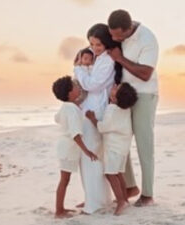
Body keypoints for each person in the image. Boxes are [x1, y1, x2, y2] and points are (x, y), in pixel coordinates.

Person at [107, 9, 159, 207]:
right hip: (122, 94)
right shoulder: (117, 33)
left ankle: (147, 194)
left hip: (144, 94)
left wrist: (120, 59)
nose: (114, 39)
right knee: (119, 140)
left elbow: (145, 73)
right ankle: (130, 187)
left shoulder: (147, 38)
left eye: (118, 36)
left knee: (144, 144)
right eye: (112, 35)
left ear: (129, 29)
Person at [73, 23, 120, 214]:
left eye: (98, 44)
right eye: (91, 44)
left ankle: (95, 202)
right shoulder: (99, 59)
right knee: (88, 158)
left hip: (95, 112)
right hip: (90, 109)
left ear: (106, 43)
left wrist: (78, 69)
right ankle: (92, 198)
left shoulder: (107, 60)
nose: (94, 48)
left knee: (91, 157)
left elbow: (92, 85)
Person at [86, 82, 138, 215]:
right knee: (118, 173)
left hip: (113, 148)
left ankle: (121, 201)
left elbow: (103, 127)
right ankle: (124, 198)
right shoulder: (126, 109)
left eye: (116, 88)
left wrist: (93, 119)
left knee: (110, 174)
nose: (113, 87)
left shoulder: (111, 109)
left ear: (115, 99)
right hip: (122, 148)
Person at [52, 76, 98, 219]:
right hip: (68, 148)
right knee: (64, 180)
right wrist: (86, 150)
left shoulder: (67, 106)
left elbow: (57, 118)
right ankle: (59, 211)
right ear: (69, 92)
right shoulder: (71, 109)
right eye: (75, 86)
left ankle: (60, 208)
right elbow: (75, 134)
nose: (78, 88)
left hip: (64, 146)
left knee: (65, 179)